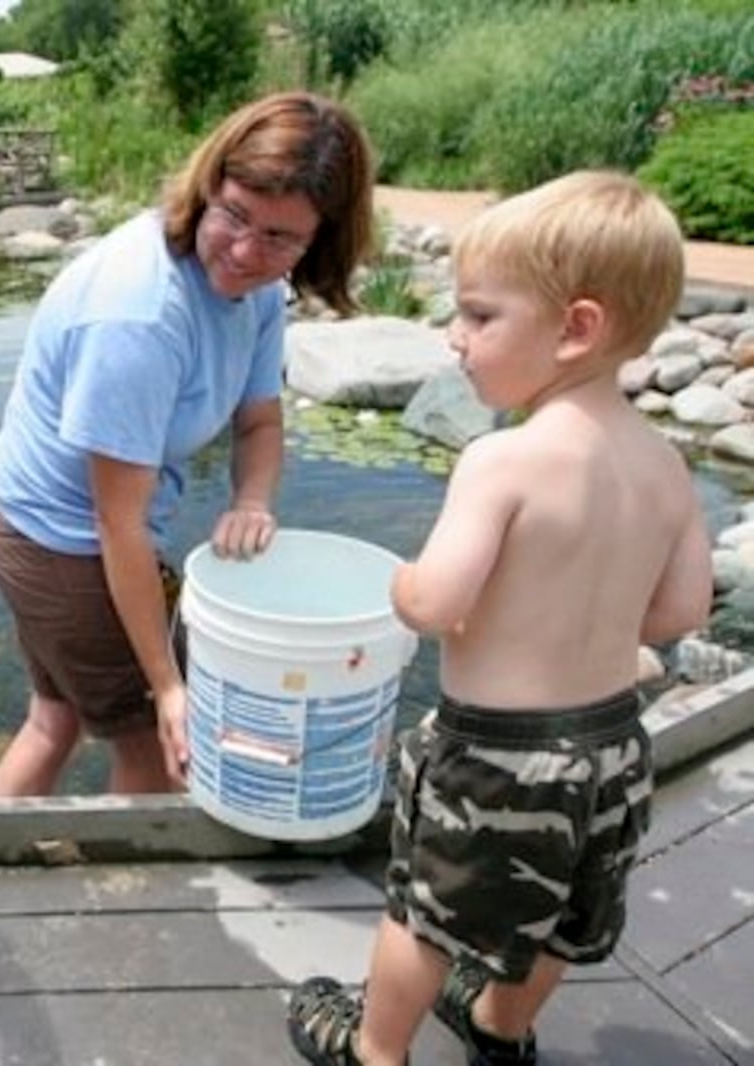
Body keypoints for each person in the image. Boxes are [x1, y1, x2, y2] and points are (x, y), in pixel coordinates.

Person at [286, 171, 714, 1066]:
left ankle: (373, 1048)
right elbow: (679, 612)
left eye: (480, 317)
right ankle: (500, 1027)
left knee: (425, 913)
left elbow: (436, 604)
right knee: (565, 915)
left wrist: (402, 585)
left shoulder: (503, 460)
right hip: (612, 750)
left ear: (577, 329)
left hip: (496, 760)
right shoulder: (665, 465)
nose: (456, 337)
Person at [0, 91, 375, 796]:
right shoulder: (138, 315)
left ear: (321, 238)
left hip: (56, 521)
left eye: (282, 238)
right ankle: (134, 900)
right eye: (235, 216)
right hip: (57, 536)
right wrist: (165, 688)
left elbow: (259, 421)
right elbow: (116, 522)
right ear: (208, 185)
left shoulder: (254, 293)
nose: (248, 252)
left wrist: (253, 497)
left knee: (55, 720)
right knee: (158, 751)